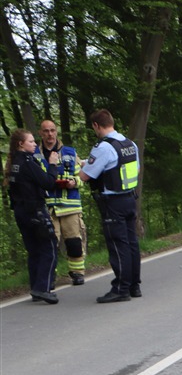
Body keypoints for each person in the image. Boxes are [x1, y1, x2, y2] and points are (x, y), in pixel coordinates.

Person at [78, 109, 142, 303]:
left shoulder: (103, 148)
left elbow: (85, 176)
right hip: (130, 199)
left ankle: (120, 289)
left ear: (96, 126)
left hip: (113, 203)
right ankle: (134, 286)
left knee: (117, 245)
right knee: (132, 243)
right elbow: (134, 169)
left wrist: (82, 165)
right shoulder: (129, 144)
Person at [4, 128, 61, 304]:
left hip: (21, 212)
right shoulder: (27, 162)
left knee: (34, 250)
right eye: (31, 141)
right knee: (50, 247)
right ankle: (43, 288)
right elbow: (48, 183)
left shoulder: (15, 163)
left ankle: (36, 287)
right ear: (21, 144)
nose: (35, 144)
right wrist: (52, 164)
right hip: (34, 210)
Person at [37, 120, 86, 285]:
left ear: (56, 132)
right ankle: (50, 277)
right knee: (50, 245)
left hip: (70, 206)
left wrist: (74, 182)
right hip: (47, 208)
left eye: (52, 130)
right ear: (40, 133)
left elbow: (82, 178)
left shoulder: (70, 152)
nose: (49, 134)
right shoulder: (35, 154)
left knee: (74, 242)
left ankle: (77, 272)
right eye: (46, 131)